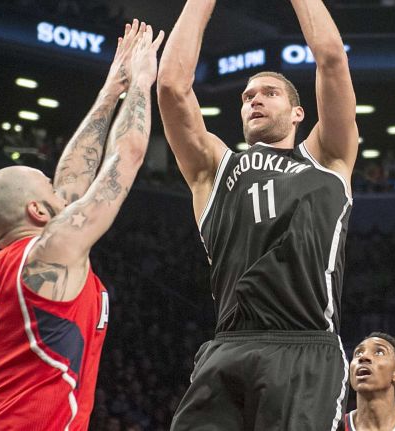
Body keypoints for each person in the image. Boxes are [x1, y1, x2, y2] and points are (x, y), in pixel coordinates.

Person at [157, 0, 358, 429]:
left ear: (298, 113)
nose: (255, 100)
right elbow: (172, 87)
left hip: (303, 343)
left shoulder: (327, 159)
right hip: (228, 343)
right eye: (248, 96)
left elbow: (332, 59)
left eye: (270, 93)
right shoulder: (214, 169)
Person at [0, 21, 164, 430]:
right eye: (47, 185)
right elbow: (127, 156)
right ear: (38, 212)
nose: (58, 184)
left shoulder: (17, 262)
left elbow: (73, 181)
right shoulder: (49, 252)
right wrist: (142, 84)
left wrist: (112, 89)